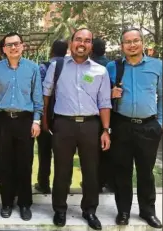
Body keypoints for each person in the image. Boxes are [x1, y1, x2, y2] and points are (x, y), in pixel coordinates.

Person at [43, 28, 111, 230]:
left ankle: (89, 210)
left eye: (87, 40)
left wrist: (106, 130)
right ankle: (60, 210)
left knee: (91, 171)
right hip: (63, 124)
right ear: (71, 42)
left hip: (91, 125)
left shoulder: (100, 71)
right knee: (62, 170)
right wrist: (45, 121)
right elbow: (46, 95)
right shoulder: (57, 66)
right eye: (78, 39)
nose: (82, 43)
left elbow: (105, 102)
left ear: (91, 45)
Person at [106, 28, 162, 229]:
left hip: (148, 126)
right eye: (127, 42)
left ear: (142, 43)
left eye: (135, 41)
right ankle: (123, 211)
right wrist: (109, 93)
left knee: (146, 172)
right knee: (122, 171)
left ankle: (148, 212)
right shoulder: (113, 67)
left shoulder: (157, 66)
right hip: (122, 125)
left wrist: (160, 123)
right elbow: (99, 92)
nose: (132, 45)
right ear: (122, 46)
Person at [0, 32, 43, 221]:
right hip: (3, 121)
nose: (13, 47)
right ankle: (6, 202)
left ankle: (25, 203)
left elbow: (37, 97)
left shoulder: (33, 68)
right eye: (9, 45)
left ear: (23, 46)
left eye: (16, 44)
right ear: (3, 48)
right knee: (4, 164)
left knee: (24, 163)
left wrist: (36, 121)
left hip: (25, 121)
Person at [35, 39, 68, 194]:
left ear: (51, 51)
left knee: (45, 151)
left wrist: (42, 118)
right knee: (64, 155)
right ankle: (64, 186)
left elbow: (40, 93)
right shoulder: (71, 66)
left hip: (47, 115)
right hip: (66, 116)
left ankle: (43, 183)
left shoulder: (43, 67)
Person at [90, 37, 113, 193]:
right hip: (110, 114)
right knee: (107, 150)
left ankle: (96, 184)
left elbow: (89, 84)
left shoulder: (95, 66)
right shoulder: (111, 65)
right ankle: (106, 181)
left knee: (94, 153)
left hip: (95, 116)